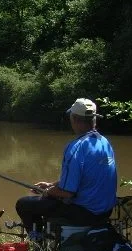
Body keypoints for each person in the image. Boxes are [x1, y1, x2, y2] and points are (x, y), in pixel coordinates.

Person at [15, 98, 117, 236]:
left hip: (86, 213)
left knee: (23, 204)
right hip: (105, 211)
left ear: (74, 118)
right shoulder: (104, 142)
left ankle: (38, 243)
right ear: (94, 119)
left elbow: (68, 192)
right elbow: (84, 177)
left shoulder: (76, 147)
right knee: (49, 198)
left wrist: (49, 192)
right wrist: (51, 185)